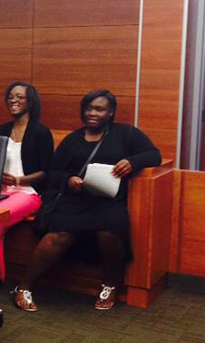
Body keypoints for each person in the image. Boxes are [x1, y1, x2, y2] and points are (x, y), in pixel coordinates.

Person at [13, 89, 162, 311]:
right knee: (59, 234)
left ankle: (110, 284)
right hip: (75, 199)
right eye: (89, 108)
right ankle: (24, 287)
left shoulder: (126, 133)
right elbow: (54, 172)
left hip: (107, 201)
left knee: (110, 230)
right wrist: (69, 179)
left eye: (100, 109)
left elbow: (154, 155)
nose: (93, 113)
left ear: (111, 112)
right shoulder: (73, 139)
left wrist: (133, 162)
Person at [0, 82, 54, 282]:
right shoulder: (1, 129)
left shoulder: (40, 132)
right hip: (1, 190)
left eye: (19, 97)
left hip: (28, 192)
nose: (13, 100)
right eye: (10, 96)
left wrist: (19, 179)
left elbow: (46, 172)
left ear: (30, 101)